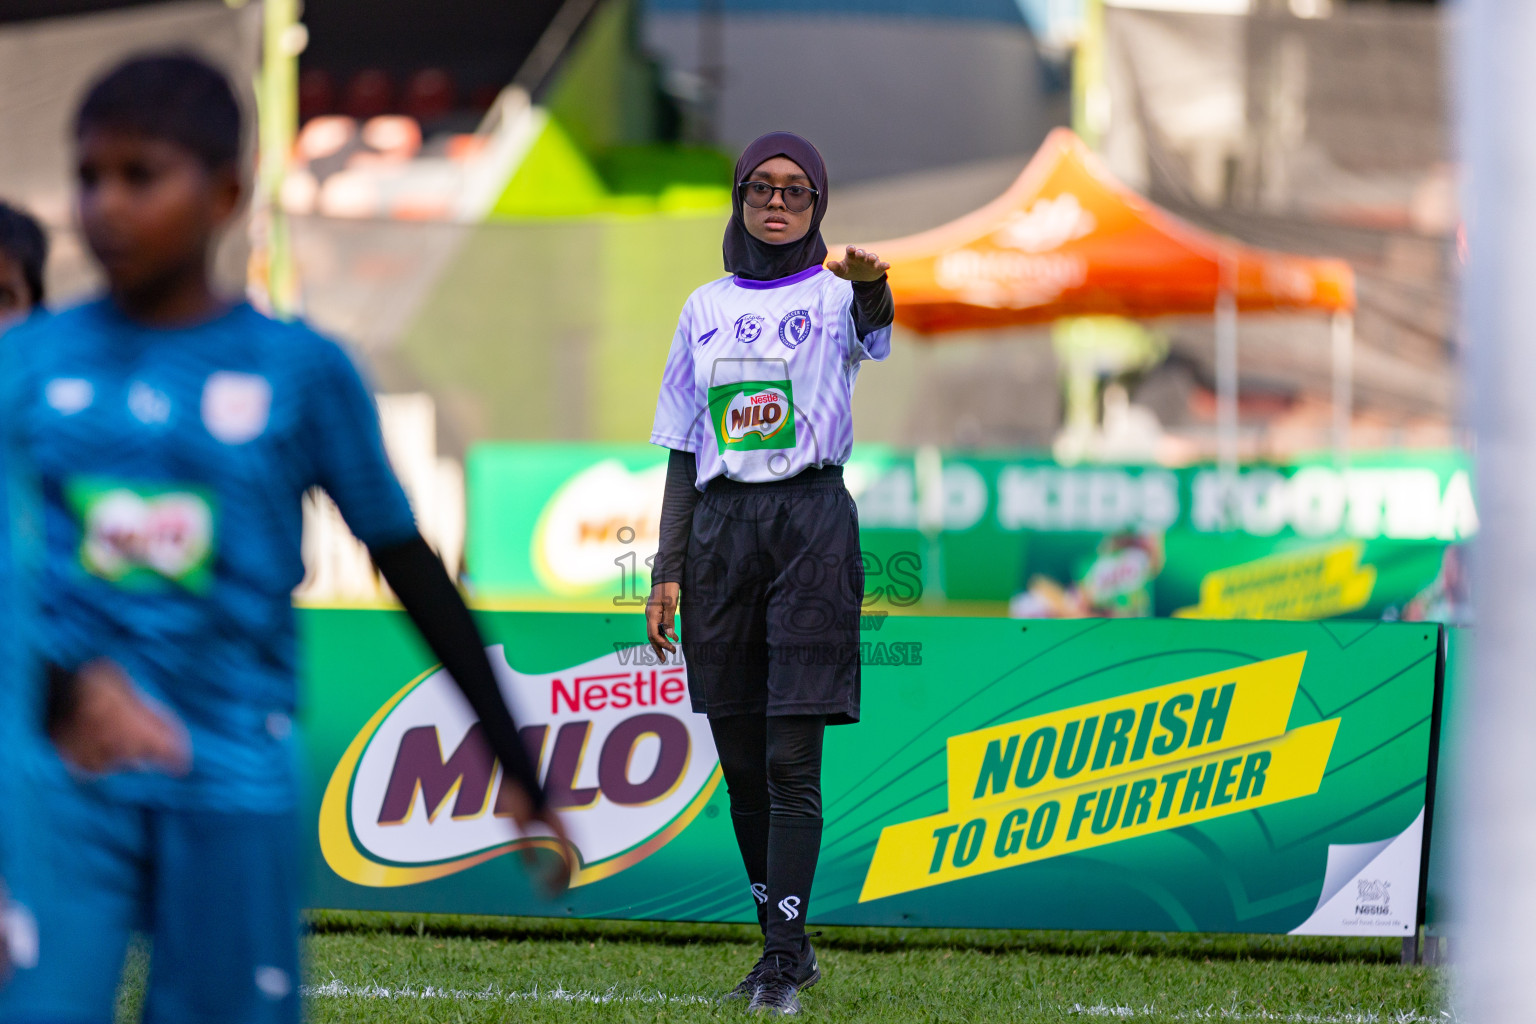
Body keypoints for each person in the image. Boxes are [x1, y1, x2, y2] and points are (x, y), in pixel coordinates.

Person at [0, 53, 566, 1024]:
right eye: (90, 177)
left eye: (142, 177)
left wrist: (513, 759)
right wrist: (62, 689)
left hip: (228, 775)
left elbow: (409, 565)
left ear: (224, 192)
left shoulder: (301, 374)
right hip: (64, 784)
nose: (107, 208)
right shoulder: (30, 364)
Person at [644, 131, 894, 1016]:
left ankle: (783, 959)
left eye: (796, 190)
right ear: (741, 199)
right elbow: (681, 447)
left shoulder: (837, 298)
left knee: (792, 755)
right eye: (761, 187)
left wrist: (873, 284)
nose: (777, 202)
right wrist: (666, 569)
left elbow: (877, 335)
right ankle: (782, 943)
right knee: (742, 761)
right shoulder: (702, 307)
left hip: (812, 525)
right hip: (719, 535)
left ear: (817, 203)